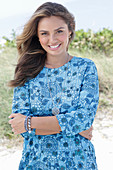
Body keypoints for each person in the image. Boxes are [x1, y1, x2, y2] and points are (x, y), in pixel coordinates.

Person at [8, 2, 99, 170]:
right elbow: (19, 127)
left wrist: (30, 122)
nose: (52, 40)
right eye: (44, 33)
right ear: (37, 36)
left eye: (59, 31)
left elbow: (83, 119)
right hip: (36, 163)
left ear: (70, 30)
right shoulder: (26, 71)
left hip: (79, 163)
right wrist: (73, 128)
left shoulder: (85, 67)